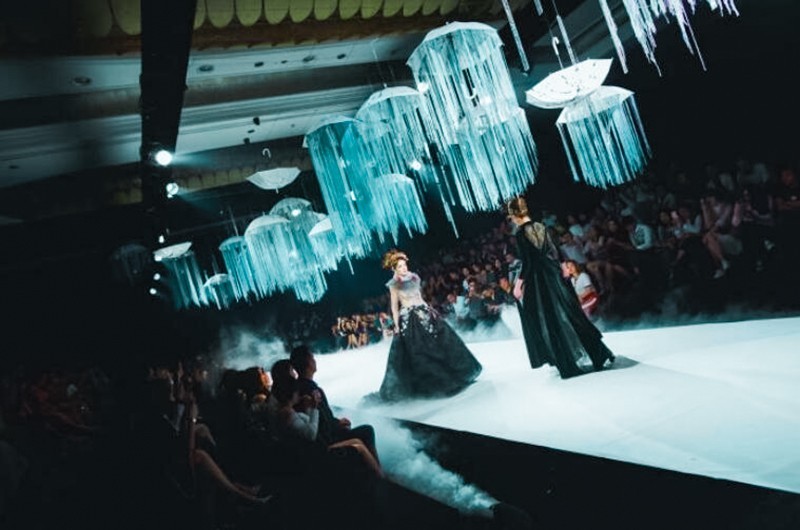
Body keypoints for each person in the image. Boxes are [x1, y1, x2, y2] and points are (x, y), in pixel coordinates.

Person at [506, 197, 615, 378]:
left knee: (551, 322)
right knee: (571, 315)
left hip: (539, 281)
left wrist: (518, 285)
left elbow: (529, 262)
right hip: (554, 273)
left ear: (515, 215)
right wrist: (563, 266)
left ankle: (567, 364)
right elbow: (556, 249)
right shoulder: (541, 226)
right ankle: (599, 355)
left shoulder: (520, 234)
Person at [378, 250, 482, 400]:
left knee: (443, 341)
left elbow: (420, 297)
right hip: (409, 317)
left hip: (424, 311)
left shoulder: (414, 278)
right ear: (394, 268)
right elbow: (394, 307)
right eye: (400, 266)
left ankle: (455, 375)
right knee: (419, 350)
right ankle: (433, 385)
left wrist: (429, 309)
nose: (404, 268)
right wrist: (396, 326)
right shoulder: (394, 285)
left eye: (405, 265)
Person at [289, 345, 380, 463]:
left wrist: (337, 422)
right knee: (367, 431)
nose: (315, 361)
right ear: (308, 363)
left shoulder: (298, 388)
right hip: (327, 442)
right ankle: (376, 469)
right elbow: (322, 423)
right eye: (312, 358)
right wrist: (337, 425)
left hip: (324, 436)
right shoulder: (313, 391)